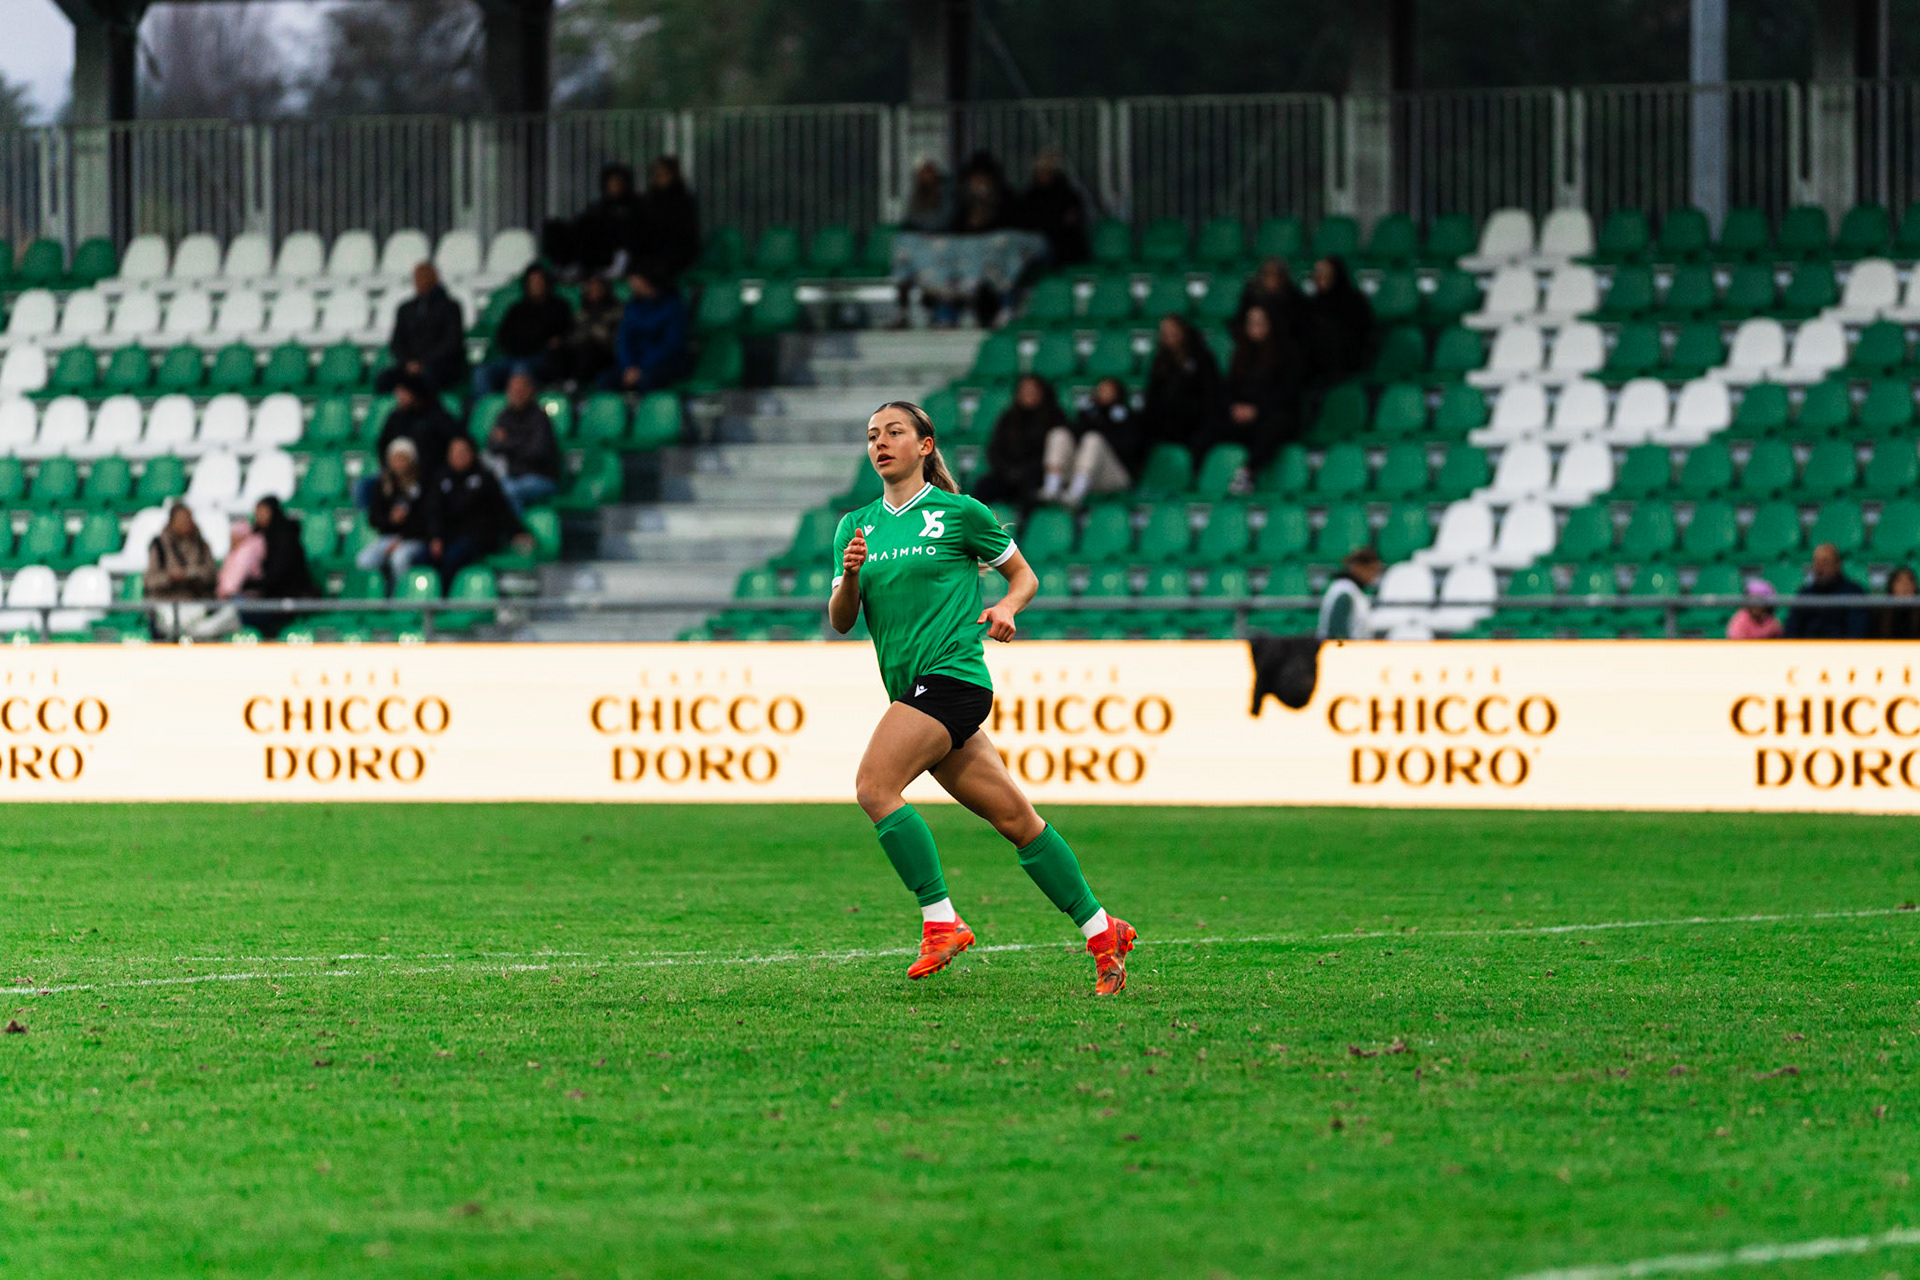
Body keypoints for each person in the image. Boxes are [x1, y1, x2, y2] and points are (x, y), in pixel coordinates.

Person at [828, 400, 1135, 995]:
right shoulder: (855, 527)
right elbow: (841, 619)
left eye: (895, 432)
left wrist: (1006, 607)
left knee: (873, 787)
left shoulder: (960, 513)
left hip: (954, 679)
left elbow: (1025, 576)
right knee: (1018, 822)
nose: (880, 443)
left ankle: (940, 921)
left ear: (925, 445)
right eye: (872, 435)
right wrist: (852, 575)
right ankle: (1103, 931)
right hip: (914, 690)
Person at [1196, 303, 1304, 475]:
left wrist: (1257, 410)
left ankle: (1248, 473)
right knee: (1211, 424)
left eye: (1260, 322)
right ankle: (1198, 474)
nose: (1255, 327)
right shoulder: (1241, 354)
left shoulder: (1287, 354)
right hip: (1243, 413)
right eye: (1251, 322)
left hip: (1272, 413)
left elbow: (1287, 393)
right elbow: (1230, 388)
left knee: (1273, 427)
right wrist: (1234, 407)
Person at [427, 435, 525, 588]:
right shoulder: (441, 479)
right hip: (450, 536)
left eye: (462, 451)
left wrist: (517, 531)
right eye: (454, 452)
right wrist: (435, 537)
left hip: (479, 537)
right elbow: (434, 512)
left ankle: (443, 601)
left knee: (453, 556)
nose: (458, 456)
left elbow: (501, 509)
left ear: (472, 453)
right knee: (421, 557)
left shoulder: (485, 478)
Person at [472, 264, 572, 395]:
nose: (536, 285)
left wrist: (531, 341)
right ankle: (487, 411)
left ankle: (517, 413)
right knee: (482, 372)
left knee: (520, 368)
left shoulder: (558, 307)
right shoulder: (517, 309)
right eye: (532, 281)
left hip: (542, 360)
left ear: (546, 283)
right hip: (513, 356)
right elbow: (503, 336)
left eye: (539, 281)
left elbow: (558, 338)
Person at [1040, 376, 1138, 505]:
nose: (1105, 394)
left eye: (1110, 391)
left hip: (1112, 476)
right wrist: (1093, 417)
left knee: (1093, 439)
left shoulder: (1130, 418)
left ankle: (1076, 494)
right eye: (1101, 390)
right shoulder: (1087, 415)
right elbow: (1076, 437)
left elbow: (1129, 449)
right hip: (1080, 473)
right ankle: (1051, 487)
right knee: (1059, 434)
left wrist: (1106, 424)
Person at [973, 374, 1068, 505]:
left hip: (1037, 475)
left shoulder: (1054, 417)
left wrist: (1026, 471)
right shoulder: (1008, 418)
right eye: (1024, 390)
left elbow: (1053, 452)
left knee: (1030, 490)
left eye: (1033, 390)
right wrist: (1008, 471)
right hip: (1007, 474)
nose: (1029, 394)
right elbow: (995, 450)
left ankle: (1025, 524)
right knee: (983, 486)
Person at [376, 262, 468, 395]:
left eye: (425, 276)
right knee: (384, 379)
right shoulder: (406, 309)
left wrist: (423, 363)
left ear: (435, 278)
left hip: (439, 366)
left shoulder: (450, 307)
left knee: (429, 376)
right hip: (409, 366)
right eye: (417, 277)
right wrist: (407, 363)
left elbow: (451, 343)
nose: (420, 281)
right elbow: (397, 342)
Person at [544, 162, 645, 278]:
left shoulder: (635, 206)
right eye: (611, 182)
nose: (615, 186)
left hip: (620, 252)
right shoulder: (599, 207)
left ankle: (617, 266)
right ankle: (569, 264)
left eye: (619, 183)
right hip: (597, 251)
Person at [1142, 315, 1223, 456]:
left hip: (1196, 419)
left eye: (1173, 330)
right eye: (1165, 332)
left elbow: (1211, 395)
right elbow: (1153, 396)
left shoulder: (1202, 358)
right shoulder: (1160, 361)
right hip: (1168, 421)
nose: (1169, 335)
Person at [604, 264, 691, 393]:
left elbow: (672, 344)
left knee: (647, 380)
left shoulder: (673, 306)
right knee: (605, 381)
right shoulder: (632, 307)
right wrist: (629, 366)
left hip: (663, 364)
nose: (631, 282)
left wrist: (642, 368)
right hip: (634, 367)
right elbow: (624, 340)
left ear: (647, 279)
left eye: (635, 278)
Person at [143, 503, 223, 640]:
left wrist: (189, 574)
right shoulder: (159, 546)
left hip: (195, 605)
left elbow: (211, 576)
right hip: (166, 605)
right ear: (171, 522)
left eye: (187, 519)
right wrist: (170, 577)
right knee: (169, 620)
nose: (184, 523)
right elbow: (150, 581)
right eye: (179, 520)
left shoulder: (202, 546)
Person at [238, 496, 316, 638]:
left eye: (263, 511)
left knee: (239, 611)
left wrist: (251, 585)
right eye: (257, 512)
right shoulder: (260, 539)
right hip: (270, 595)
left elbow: (278, 576)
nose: (258, 516)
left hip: (288, 597)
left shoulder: (286, 539)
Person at [485, 371, 562, 513]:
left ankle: (516, 532)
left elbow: (537, 452)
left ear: (530, 391)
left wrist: (507, 442)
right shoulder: (504, 415)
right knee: (487, 489)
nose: (516, 394)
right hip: (511, 476)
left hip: (540, 477)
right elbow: (492, 445)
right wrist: (521, 441)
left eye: (520, 390)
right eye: (513, 390)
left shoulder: (539, 418)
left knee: (508, 491)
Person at [358, 438, 429, 585]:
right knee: (364, 560)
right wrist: (390, 519)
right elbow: (374, 519)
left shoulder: (423, 486)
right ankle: (375, 596)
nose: (399, 463)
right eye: (396, 459)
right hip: (387, 538)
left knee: (399, 558)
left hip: (414, 539)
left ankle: (399, 598)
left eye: (403, 459)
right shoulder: (382, 485)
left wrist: (402, 537)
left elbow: (427, 520)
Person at [1303, 256, 1375, 387]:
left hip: (1347, 361)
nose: (1319, 278)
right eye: (1317, 274)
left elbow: (1361, 336)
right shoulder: (1313, 303)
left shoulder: (1354, 301)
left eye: (1325, 274)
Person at [1017, 149, 1089, 266]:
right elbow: (1026, 223)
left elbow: (1071, 224)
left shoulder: (1069, 195)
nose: (1044, 173)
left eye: (1048, 169)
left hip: (1065, 251)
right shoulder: (1030, 196)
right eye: (1041, 169)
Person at [1784, 542, 1870, 639]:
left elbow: (1857, 633)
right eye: (1816, 562)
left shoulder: (1854, 594)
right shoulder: (1804, 595)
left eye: (1825, 562)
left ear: (1838, 565)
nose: (1819, 568)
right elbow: (1791, 631)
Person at [636, 156, 701, 282]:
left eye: (664, 174)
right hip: (651, 256)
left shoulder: (683, 201)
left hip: (675, 257)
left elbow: (685, 235)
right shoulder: (647, 201)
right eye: (657, 174)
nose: (660, 178)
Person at [561, 275, 622, 385]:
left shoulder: (616, 311)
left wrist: (595, 333)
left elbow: (616, 339)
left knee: (588, 350)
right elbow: (572, 336)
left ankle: (576, 384)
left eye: (598, 288)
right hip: (580, 352)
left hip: (606, 354)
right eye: (591, 288)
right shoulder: (582, 313)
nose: (594, 291)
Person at [1317, 547, 1383, 641]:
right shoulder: (1344, 592)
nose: (1374, 575)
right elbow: (1337, 634)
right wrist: (1342, 653)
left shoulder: (1352, 590)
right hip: (1343, 651)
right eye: (1371, 569)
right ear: (1357, 567)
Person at [1237, 256, 1308, 338]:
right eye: (1268, 274)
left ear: (1282, 277)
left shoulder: (1294, 297)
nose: (1272, 279)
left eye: (1275, 274)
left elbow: (1298, 326)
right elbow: (1241, 323)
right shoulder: (1251, 296)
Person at [902, 159, 953, 233]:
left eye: (927, 173)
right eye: (922, 174)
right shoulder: (917, 193)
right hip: (918, 236)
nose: (924, 177)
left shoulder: (946, 193)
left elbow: (943, 220)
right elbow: (911, 216)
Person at [1871, 565, 1919, 640]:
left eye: (1909, 581)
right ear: (1892, 586)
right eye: (1900, 581)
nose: (1905, 586)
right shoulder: (1880, 615)